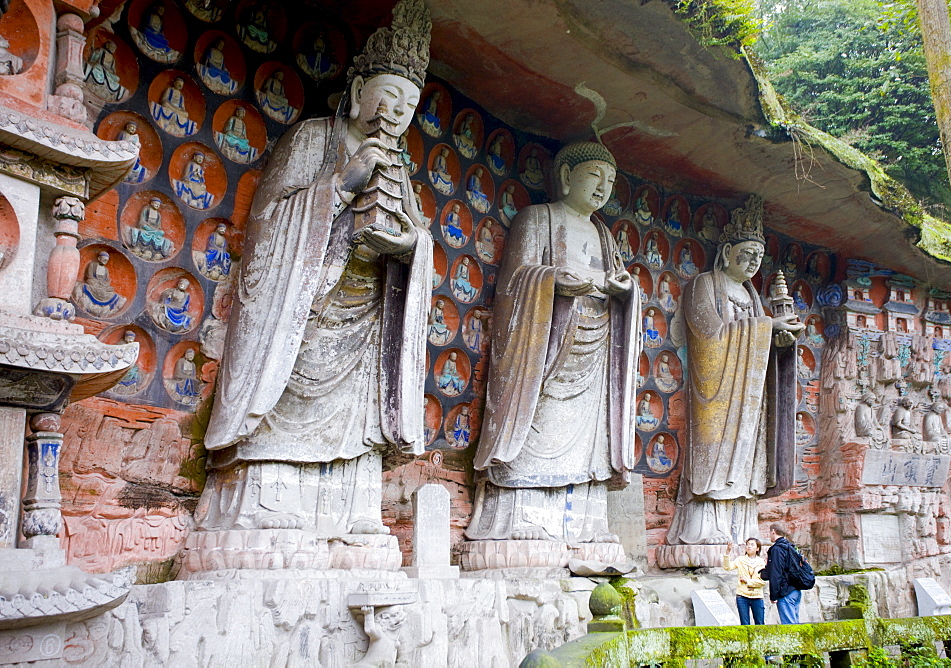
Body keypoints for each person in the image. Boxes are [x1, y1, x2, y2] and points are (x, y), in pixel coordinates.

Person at [194, 0, 432, 555]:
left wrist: (408, 246)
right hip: (304, 311)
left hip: (367, 313)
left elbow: (419, 236)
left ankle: (353, 511)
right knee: (286, 400)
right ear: (355, 93)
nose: (397, 114)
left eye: (410, 105)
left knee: (358, 417)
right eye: (388, 97)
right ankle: (266, 502)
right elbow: (271, 222)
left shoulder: (402, 170)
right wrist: (339, 188)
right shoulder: (311, 139)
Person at [466, 141, 641, 561]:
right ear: (565, 177)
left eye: (610, 182)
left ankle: (585, 524)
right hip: (545, 346)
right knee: (537, 423)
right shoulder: (537, 218)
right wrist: (551, 281)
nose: (603, 188)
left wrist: (626, 290)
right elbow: (513, 284)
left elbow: (620, 281)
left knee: (590, 440)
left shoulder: (604, 233)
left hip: (595, 348)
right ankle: (521, 523)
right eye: (594, 177)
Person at [665, 195, 802, 559]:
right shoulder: (704, 286)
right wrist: (765, 328)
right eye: (746, 254)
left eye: (759, 258)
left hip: (749, 395)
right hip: (715, 391)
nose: (754, 263)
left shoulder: (752, 296)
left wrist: (779, 341)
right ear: (726, 252)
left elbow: (760, 340)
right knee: (713, 459)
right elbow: (708, 335)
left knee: (748, 463)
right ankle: (703, 528)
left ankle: (743, 528)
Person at [760, 523, 802, 624]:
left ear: (773, 531)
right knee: (795, 622)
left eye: (770, 533)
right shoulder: (791, 547)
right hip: (795, 589)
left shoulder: (777, 549)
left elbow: (776, 573)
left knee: (789, 625)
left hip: (785, 592)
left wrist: (773, 595)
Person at [723, 538, 767, 625]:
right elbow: (728, 567)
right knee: (744, 624)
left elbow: (763, 581)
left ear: (757, 548)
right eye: (747, 544)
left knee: (760, 623)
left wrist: (748, 581)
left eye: (752, 545)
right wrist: (727, 552)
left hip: (757, 596)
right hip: (742, 595)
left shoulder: (762, 562)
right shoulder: (740, 559)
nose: (749, 546)